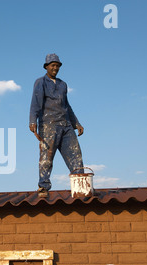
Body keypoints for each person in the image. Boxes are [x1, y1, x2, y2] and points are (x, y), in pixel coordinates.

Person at [29, 53, 85, 198]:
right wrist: (32, 121)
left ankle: (80, 187)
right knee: (46, 158)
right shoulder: (40, 82)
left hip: (66, 125)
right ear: (46, 66)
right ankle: (43, 187)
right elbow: (35, 102)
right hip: (48, 125)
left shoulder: (62, 84)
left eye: (57, 66)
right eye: (53, 65)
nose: (55, 68)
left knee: (76, 156)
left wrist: (76, 123)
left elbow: (67, 106)